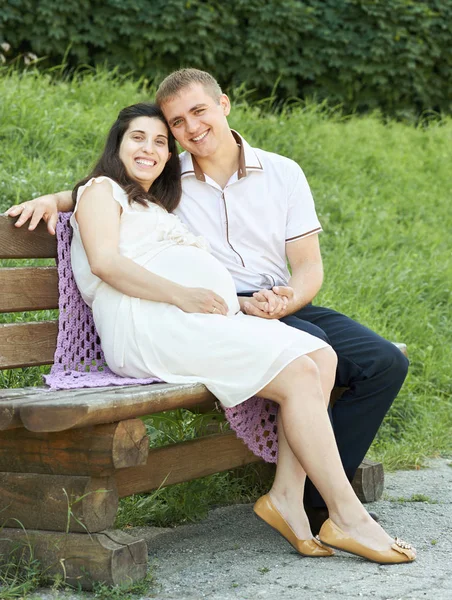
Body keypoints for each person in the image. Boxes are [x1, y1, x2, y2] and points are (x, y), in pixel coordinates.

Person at [6, 68, 409, 537]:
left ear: (224, 106)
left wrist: (287, 300)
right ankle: (321, 506)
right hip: (213, 308)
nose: (191, 128)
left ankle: (310, 495)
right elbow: (106, 186)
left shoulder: (282, 172)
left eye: (198, 111)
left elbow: (308, 267)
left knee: (383, 363)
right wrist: (52, 199)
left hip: (279, 299)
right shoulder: (166, 176)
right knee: (314, 351)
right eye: (177, 122)